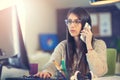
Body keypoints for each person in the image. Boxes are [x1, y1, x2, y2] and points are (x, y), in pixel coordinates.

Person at [35, 7, 108, 79]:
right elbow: (52, 63)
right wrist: (46, 71)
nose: (72, 25)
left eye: (77, 21)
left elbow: (99, 72)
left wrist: (89, 45)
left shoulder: (99, 44)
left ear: (86, 25)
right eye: (69, 21)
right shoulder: (62, 46)